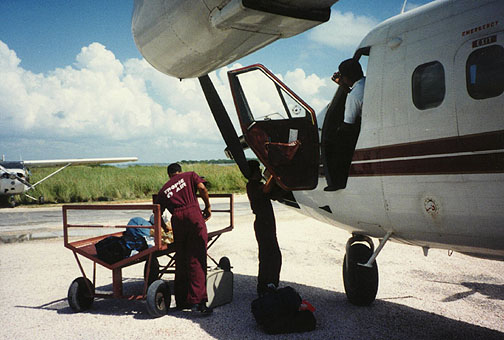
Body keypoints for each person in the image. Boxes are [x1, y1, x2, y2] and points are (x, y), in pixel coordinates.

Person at [155, 163, 213, 314]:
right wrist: (207, 207)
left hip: (177, 219)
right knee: (197, 258)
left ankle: (182, 301)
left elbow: (157, 212)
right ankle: (198, 303)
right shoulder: (190, 175)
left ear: (169, 175)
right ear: (179, 171)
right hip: (193, 214)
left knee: (181, 259)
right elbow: (202, 188)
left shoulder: (163, 190)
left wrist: (163, 228)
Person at [324, 58, 365, 191]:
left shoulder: (354, 95)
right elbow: (358, 95)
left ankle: (338, 181)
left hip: (359, 129)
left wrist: (335, 132)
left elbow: (348, 124)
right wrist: (343, 85)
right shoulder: (365, 84)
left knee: (334, 142)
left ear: (347, 77)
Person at [246, 160, 282, 297]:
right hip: (263, 224)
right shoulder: (252, 186)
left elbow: (271, 192)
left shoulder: (257, 185)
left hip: (265, 224)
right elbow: (267, 189)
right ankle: (268, 284)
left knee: (268, 255)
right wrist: (273, 173)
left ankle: (266, 284)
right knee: (271, 255)